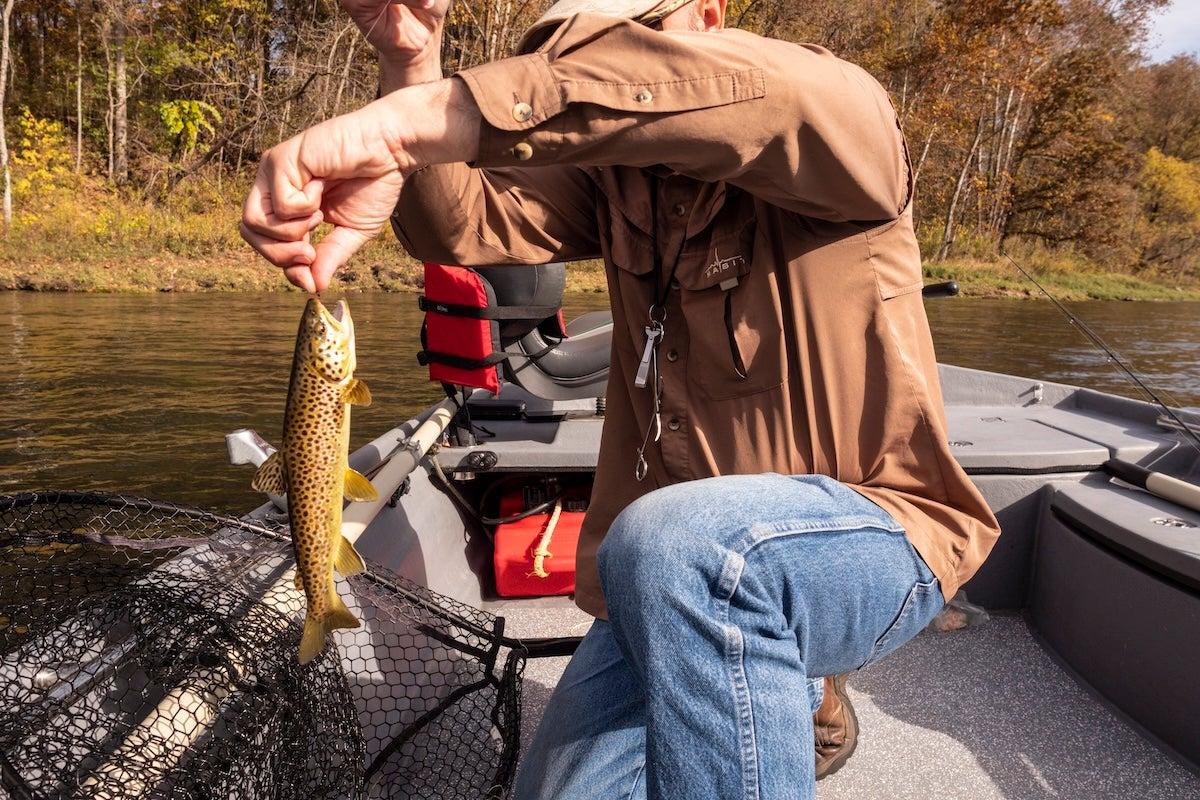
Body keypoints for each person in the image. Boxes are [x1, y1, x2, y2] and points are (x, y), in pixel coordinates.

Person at [240, 0, 1002, 796]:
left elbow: (730, 92)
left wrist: (418, 120)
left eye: (619, 40)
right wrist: (412, 70)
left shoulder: (839, 116)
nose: (596, 70)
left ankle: (795, 675)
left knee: (689, 547)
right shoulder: (616, 185)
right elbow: (458, 225)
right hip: (666, 571)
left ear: (707, 15)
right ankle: (776, 679)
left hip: (876, 535)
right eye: (562, 48)